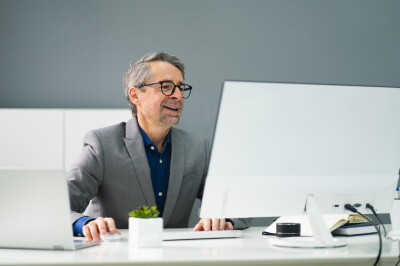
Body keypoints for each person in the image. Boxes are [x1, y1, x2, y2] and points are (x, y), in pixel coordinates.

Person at [68, 52, 251, 241]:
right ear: (135, 95)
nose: (178, 96)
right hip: (116, 256)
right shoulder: (102, 144)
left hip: (176, 258)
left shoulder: (198, 147)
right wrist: (86, 223)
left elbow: (238, 206)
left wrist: (223, 219)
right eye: (166, 87)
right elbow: (59, 207)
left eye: (181, 88)